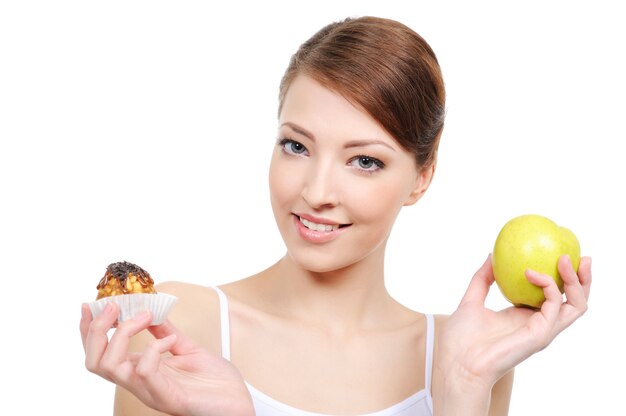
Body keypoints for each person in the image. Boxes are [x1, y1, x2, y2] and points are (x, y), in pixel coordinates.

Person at [80, 16, 592, 416]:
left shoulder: (466, 354)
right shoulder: (179, 330)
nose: (317, 191)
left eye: (364, 160)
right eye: (296, 145)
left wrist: (463, 387)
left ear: (422, 175)